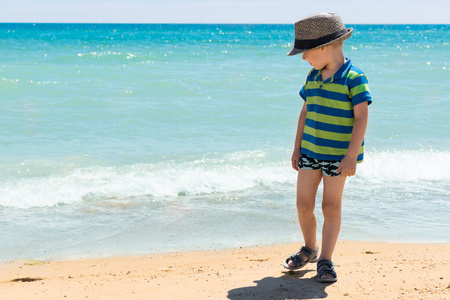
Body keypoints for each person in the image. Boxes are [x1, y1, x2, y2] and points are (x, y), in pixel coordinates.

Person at [283, 12, 372, 283]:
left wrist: (351, 156)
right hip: (310, 151)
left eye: (306, 52)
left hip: (338, 156)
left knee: (331, 206)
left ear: (323, 48)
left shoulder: (354, 77)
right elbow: (304, 113)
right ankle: (310, 248)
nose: (303, 58)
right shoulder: (312, 77)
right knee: (303, 204)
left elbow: (361, 117)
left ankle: (326, 260)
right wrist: (297, 148)